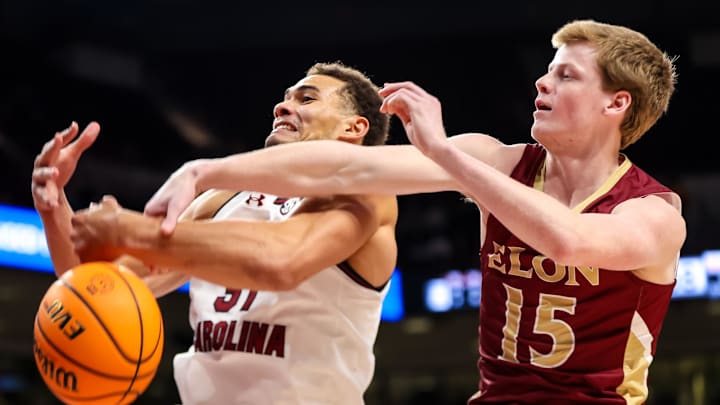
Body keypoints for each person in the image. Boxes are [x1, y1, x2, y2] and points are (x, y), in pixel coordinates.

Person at [144, 20, 686, 404]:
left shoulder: (653, 213)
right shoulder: (498, 160)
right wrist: (207, 171)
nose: (542, 82)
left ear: (616, 103)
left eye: (566, 75)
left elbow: (567, 242)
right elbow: (344, 168)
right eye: (548, 71)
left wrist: (444, 152)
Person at [31, 62, 398, 404]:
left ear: (353, 128)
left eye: (306, 98)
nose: (282, 107)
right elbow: (93, 285)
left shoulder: (368, 193)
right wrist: (53, 204)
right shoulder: (222, 199)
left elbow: (281, 262)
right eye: (285, 98)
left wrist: (132, 230)